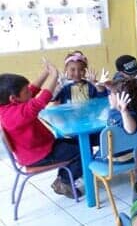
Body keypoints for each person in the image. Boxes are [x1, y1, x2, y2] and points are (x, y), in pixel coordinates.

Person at [0, 61, 82, 198]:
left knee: (77, 141)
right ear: (13, 98)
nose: (29, 92)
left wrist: (45, 72)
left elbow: (32, 89)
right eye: (25, 91)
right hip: (39, 155)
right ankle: (64, 182)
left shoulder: (8, 107)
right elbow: (40, 102)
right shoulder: (15, 115)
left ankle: (68, 175)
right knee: (83, 150)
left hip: (40, 148)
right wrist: (54, 76)